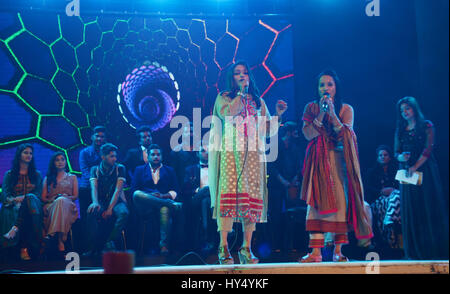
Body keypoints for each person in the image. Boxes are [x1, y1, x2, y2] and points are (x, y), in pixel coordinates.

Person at [208, 60, 287, 264]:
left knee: (250, 199)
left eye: (245, 73)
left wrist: (277, 114)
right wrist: (241, 95)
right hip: (230, 154)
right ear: (232, 77)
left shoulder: (258, 102)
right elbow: (226, 114)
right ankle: (223, 247)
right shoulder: (223, 97)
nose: (242, 76)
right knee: (227, 196)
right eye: (237, 73)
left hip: (252, 156)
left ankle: (246, 248)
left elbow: (267, 130)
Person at [299, 69, 372, 263]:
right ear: (317, 88)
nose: (326, 88)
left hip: (338, 161)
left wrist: (333, 113)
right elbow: (308, 134)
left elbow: (346, 136)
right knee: (315, 203)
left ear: (336, 87)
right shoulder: (311, 108)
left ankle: (338, 251)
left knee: (340, 203)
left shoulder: (346, 109)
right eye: (322, 85)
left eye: (329, 84)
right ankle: (315, 253)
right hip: (317, 161)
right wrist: (322, 113)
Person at [394, 96, 448, 260]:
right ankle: (414, 251)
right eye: (402, 110)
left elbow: (427, 150)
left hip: (424, 171)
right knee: (411, 209)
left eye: (407, 109)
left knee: (427, 207)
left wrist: (415, 166)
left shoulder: (426, 126)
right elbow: (396, 152)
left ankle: (432, 249)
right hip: (407, 174)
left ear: (414, 109)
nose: (405, 113)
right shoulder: (401, 129)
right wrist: (401, 158)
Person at [132, 144, 182, 255]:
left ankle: (164, 246)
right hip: (144, 205)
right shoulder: (139, 170)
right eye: (153, 155)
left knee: (165, 209)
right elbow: (134, 190)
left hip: (162, 204)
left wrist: (163, 196)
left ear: (162, 156)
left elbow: (175, 190)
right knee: (136, 194)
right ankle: (169, 204)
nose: (156, 157)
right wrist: (151, 195)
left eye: (158, 154)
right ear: (148, 156)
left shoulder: (169, 170)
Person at [1, 143, 43, 261]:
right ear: (19, 155)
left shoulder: (36, 175)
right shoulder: (9, 175)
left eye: (30, 153)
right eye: (26, 152)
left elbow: (38, 194)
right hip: (14, 206)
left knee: (29, 199)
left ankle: (15, 230)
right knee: (18, 209)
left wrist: (24, 199)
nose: (29, 155)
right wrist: (15, 201)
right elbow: (5, 196)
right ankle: (22, 248)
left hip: (33, 205)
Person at [86, 143, 129, 256]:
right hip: (101, 201)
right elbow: (93, 188)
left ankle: (110, 241)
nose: (114, 158)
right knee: (92, 211)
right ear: (103, 157)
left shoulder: (120, 168)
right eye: (111, 156)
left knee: (124, 213)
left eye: (115, 156)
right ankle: (92, 247)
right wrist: (95, 202)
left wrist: (110, 209)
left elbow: (117, 190)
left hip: (116, 201)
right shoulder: (94, 169)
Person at [366, 145, 402, 254]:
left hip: (394, 201)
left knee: (395, 195)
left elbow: (401, 186)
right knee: (393, 198)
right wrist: (381, 192)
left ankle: (389, 220)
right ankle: (390, 219)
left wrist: (392, 191)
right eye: (380, 155)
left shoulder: (396, 171)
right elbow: (368, 189)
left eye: (385, 155)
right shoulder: (371, 172)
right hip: (378, 201)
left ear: (390, 157)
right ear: (377, 158)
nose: (382, 157)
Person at [41, 152, 78, 255]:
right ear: (53, 163)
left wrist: (64, 197)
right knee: (59, 202)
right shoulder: (48, 178)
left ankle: (51, 234)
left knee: (62, 201)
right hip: (51, 205)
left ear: (66, 162)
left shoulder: (72, 177)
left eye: (62, 159)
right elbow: (43, 198)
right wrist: (54, 199)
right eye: (57, 160)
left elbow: (75, 196)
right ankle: (61, 239)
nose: (60, 162)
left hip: (68, 205)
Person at [78, 126, 107, 252]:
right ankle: (88, 247)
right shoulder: (84, 152)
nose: (99, 138)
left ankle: (101, 245)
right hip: (86, 188)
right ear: (92, 137)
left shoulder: (106, 153)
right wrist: (94, 182)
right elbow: (85, 171)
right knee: (87, 217)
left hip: (103, 189)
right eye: (97, 135)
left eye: (102, 136)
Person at [182, 146, 216, 253]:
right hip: (194, 199)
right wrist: (197, 190)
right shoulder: (190, 169)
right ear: (197, 154)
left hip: (211, 201)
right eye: (203, 151)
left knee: (206, 201)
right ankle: (222, 225)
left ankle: (207, 237)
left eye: (208, 150)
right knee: (206, 189)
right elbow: (185, 189)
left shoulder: (216, 168)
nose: (206, 153)